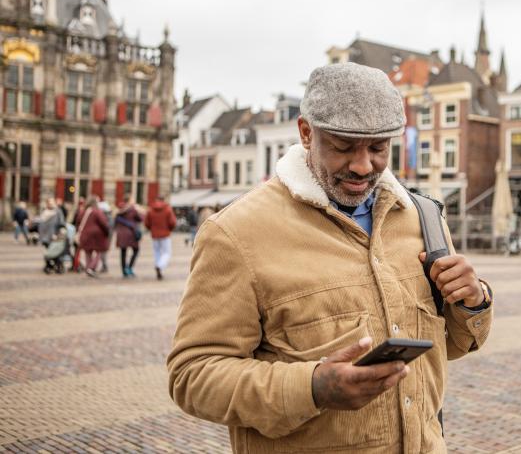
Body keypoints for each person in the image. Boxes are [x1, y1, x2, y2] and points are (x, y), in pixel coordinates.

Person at [168, 63, 493, 453]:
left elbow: (447, 348)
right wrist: (313, 387)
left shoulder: (424, 217)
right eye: (343, 146)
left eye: (377, 148)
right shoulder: (236, 233)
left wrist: (474, 302)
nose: (362, 166)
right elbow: (192, 375)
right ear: (306, 132)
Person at [76, 196, 110, 278]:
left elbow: (78, 222)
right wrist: (107, 232)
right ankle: (91, 268)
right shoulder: (97, 211)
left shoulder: (83, 211)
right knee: (98, 252)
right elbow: (103, 223)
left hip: (85, 234)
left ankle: (88, 268)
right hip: (96, 235)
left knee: (88, 252)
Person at [145, 195, 177, 280]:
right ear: (164, 200)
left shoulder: (150, 210)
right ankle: (160, 266)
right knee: (167, 253)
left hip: (154, 235)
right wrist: (170, 229)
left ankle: (158, 267)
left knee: (157, 252)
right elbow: (173, 222)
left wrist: (151, 229)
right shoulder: (167, 209)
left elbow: (146, 223)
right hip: (165, 234)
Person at [114, 195, 143, 277]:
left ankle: (124, 270)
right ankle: (129, 267)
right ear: (129, 200)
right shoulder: (133, 209)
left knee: (123, 252)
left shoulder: (119, 209)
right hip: (131, 234)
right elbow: (140, 219)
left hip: (121, 234)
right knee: (136, 250)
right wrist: (139, 210)